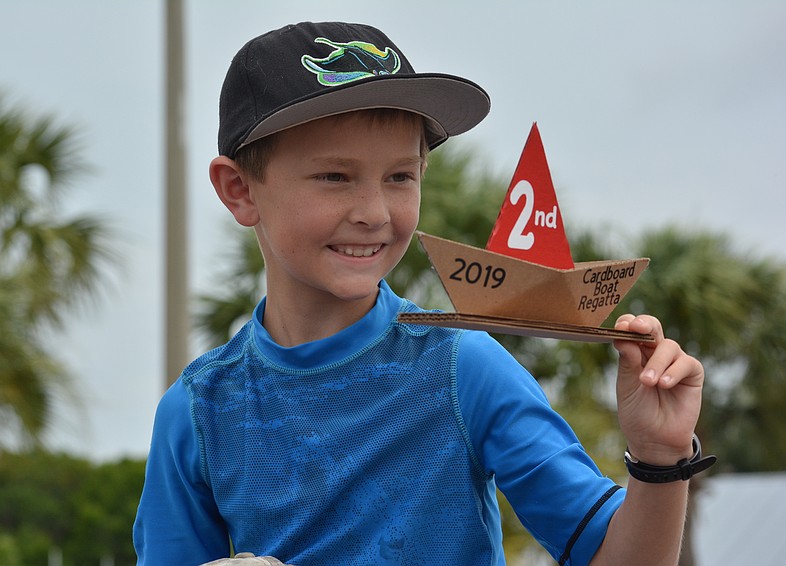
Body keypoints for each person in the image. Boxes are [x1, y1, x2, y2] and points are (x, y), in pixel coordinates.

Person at [133, 21, 714, 566]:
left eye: (400, 176)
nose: (374, 212)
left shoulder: (464, 364)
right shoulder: (197, 411)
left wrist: (660, 459)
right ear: (239, 189)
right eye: (335, 176)